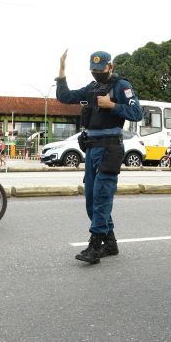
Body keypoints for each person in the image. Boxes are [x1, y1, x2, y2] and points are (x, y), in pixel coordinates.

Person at [55, 49, 143, 264]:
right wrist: (62, 70)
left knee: (102, 198)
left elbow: (137, 113)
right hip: (92, 149)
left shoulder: (122, 86)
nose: (97, 73)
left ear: (110, 66)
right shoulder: (92, 88)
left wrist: (112, 105)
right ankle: (110, 243)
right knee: (91, 200)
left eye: (100, 69)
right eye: (93, 70)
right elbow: (65, 97)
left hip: (110, 148)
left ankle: (95, 246)